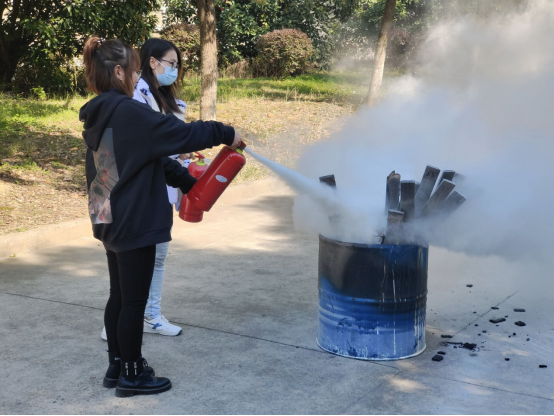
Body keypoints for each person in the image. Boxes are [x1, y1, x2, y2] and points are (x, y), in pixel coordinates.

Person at [81, 37, 242, 398]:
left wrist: (186, 182)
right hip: (134, 218)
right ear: (118, 72)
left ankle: (116, 366)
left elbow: (147, 158)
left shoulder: (102, 114)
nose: (137, 77)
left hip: (108, 215)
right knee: (133, 302)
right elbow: (180, 135)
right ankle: (133, 374)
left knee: (119, 296)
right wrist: (225, 132)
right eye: (134, 70)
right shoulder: (129, 111)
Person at [100, 38, 190, 340]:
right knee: (129, 281)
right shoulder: (130, 103)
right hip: (136, 197)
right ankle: (130, 341)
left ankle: (125, 341)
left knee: (134, 273)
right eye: (171, 63)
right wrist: (222, 133)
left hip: (139, 193)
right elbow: (150, 148)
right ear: (120, 72)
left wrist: (181, 159)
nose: (174, 70)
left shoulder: (140, 100)